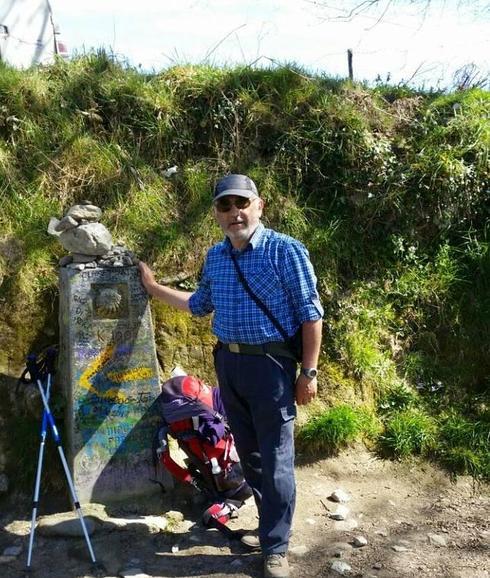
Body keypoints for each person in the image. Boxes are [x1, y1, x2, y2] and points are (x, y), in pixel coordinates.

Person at [139, 174, 323, 578]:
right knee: (251, 455)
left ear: (259, 206)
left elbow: (311, 315)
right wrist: (153, 288)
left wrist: (308, 372)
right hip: (229, 364)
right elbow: (199, 304)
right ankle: (270, 526)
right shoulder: (216, 257)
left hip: (271, 367)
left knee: (275, 459)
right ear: (217, 214)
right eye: (225, 206)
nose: (234, 212)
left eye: (242, 203)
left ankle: (276, 547)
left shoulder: (285, 251)